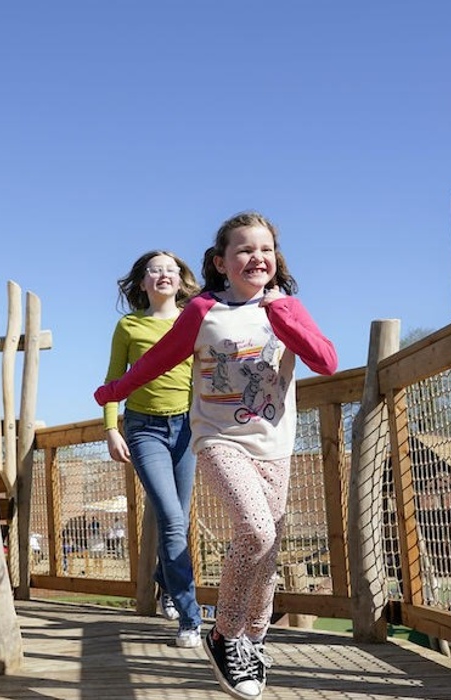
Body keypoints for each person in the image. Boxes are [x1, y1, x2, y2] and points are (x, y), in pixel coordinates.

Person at [93, 212, 337, 700]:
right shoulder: (204, 310)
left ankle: (254, 639)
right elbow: (159, 358)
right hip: (219, 438)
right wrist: (114, 393)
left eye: (265, 249)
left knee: (269, 550)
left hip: (275, 444)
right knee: (256, 531)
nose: (257, 257)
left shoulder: (288, 307)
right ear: (221, 262)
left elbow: (326, 362)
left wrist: (282, 316)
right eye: (244, 250)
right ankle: (224, 634)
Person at [102, 250, 203, 649]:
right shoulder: (129, 325)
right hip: (144, 429)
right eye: (154, 270)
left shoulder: (194, 321)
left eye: (170, 270)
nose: (163, 275)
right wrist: (111, 429)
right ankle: (191, 618)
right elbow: (113, 379)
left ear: (180, 280)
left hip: (188, 429)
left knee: (179, 518)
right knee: (172, 519)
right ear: (143, 282)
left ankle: (165, 579)